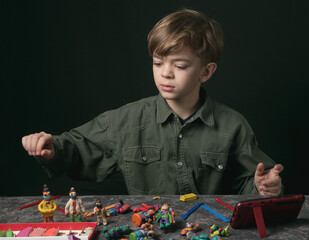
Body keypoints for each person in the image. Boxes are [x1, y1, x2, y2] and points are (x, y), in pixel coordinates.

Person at [21, 9, 283, 196]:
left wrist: (265, 186)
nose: (165, 73)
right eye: (158, 63)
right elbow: (77, 148)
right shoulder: (125, 121)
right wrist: (52, 147)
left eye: (179, 65)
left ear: (206, 71)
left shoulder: (232, 125)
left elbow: (251, 180)